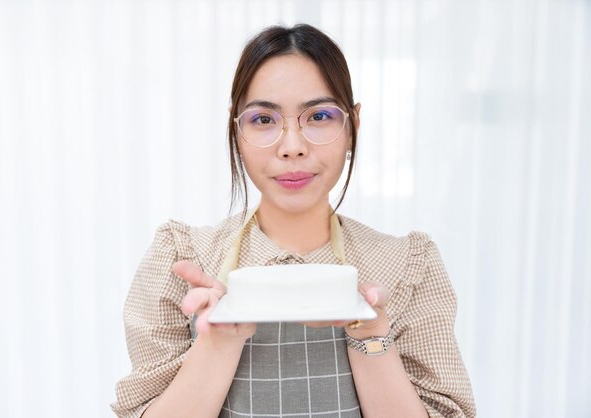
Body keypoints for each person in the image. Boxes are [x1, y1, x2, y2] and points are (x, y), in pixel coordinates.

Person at [111, 23, 476, 418]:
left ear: (353, 125)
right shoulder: (182, 259)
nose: (292, 148)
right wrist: (217, 344)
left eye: (319, 115)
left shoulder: (408, 265)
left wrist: (371, 335)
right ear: (236, 130)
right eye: (264, 120)